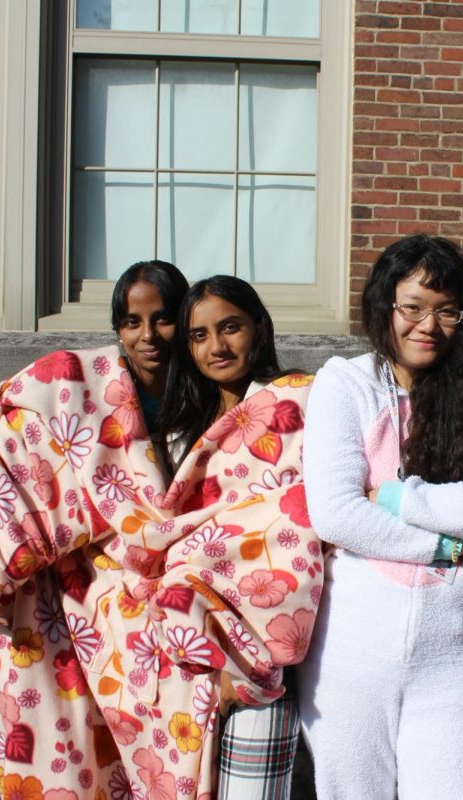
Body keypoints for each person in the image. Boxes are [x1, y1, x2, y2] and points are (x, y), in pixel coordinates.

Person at [0, 263, 322, 799]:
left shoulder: (244, 405)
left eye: (166, 320)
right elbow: (5, 474)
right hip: (99, 618)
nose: (148, 336)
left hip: (206, 619)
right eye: (130, 321)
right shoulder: (83, 395)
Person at [298, 233, 463, 799]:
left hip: (459, 662)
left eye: (447, 310)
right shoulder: (344, 383)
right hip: (350, 658)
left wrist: (399, 498)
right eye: (413, 307)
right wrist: (444, 546)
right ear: (386, 306)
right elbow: (335, 513)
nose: (428, 324)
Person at [155, 275, 319, 798]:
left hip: (261, 663)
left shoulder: (297, 404)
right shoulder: (185, 430)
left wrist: (243, 670)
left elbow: (297, 524)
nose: (216, 347)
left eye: (230, 328)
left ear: (259, 328)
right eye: (199, 336)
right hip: (184, 665)